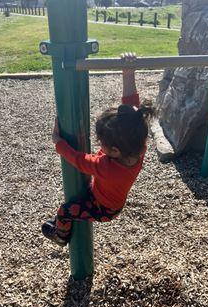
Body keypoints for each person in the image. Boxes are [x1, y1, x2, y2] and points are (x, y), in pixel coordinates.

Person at [42, 53, 154, 247]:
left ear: (115, 151)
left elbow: (78, 160)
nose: (99, 142)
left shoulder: (105, 166)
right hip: (111, 200)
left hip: (102, 209)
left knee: (65, 211)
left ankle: (61, 235)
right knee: (74, 203)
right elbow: (132, 111)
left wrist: (58, 142)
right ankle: (63, 228)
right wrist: (128, 73)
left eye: (101, 141)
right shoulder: (138, 147)